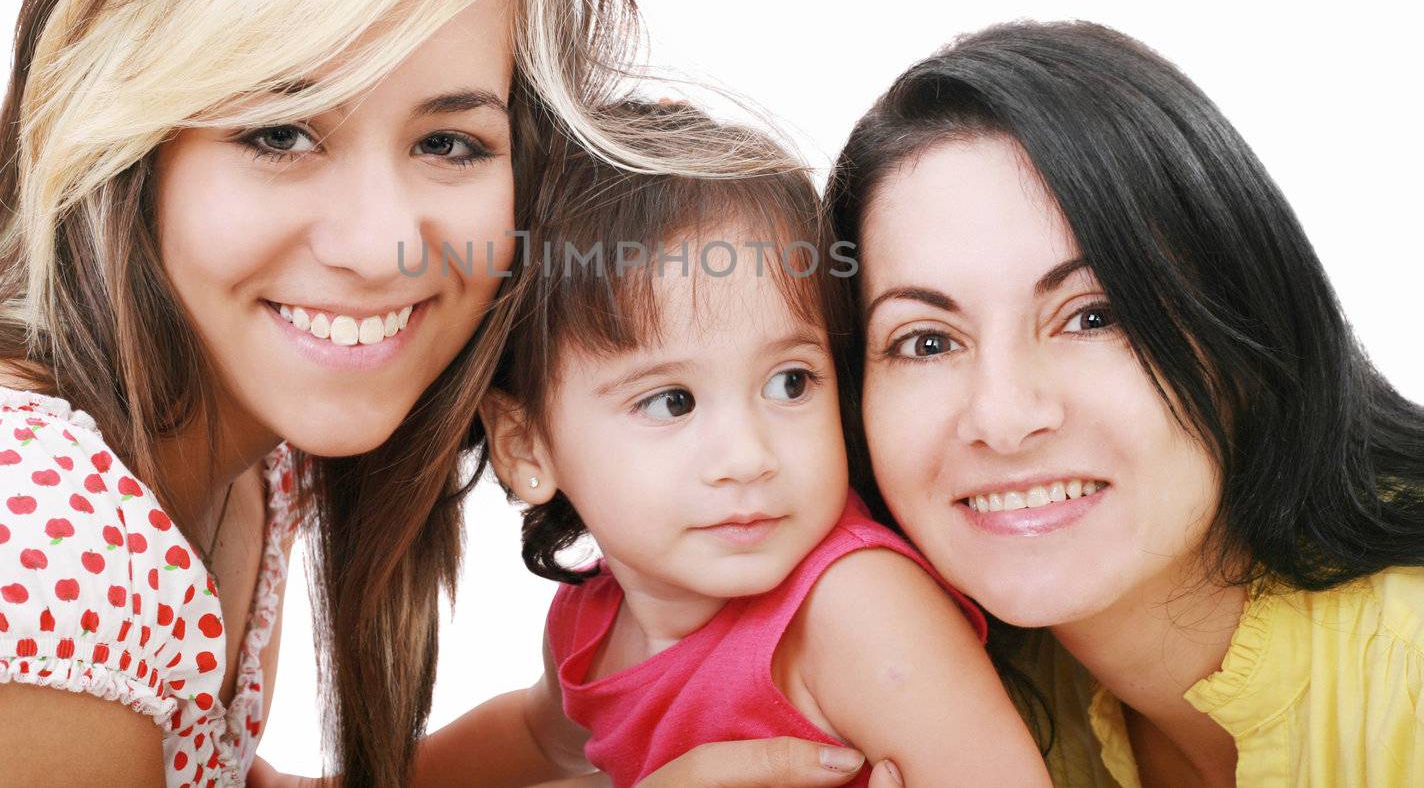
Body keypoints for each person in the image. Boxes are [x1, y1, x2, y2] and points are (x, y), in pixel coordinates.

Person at [0, 0, 721, 788]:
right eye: (281, 132)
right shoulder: (2, 508)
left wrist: (561, 734)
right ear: (124, 143)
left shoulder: (239, 439)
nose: (383, 242)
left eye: (450, 144)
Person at [825, 21, 1424, 785]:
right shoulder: (947, 708)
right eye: (928, 341)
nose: (1006, 419)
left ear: (1244, 332)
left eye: (1094, 316)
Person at [404, 101, 1050, 787]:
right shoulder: (591, 628)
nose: (749, 456)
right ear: (525, 446)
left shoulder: (855, 609)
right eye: (670, 401)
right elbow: (538, 740)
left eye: (791, 382)